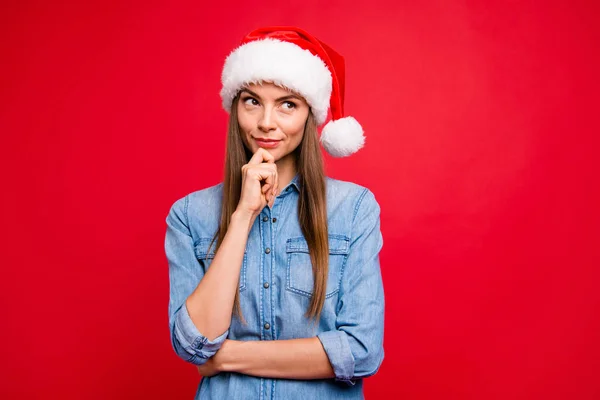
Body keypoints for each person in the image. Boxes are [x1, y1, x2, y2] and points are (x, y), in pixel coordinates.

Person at [164, 26, 385, 399]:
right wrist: (242, 217)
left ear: (310, 116)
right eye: (252, 101)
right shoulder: (190, 215)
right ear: (235, 108)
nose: (267, 121)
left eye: (287, 104)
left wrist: (227, 356)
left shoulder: (354, 209)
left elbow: (361, 351)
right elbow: (193, 344)